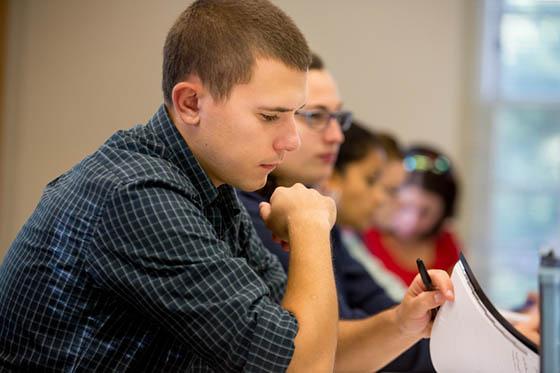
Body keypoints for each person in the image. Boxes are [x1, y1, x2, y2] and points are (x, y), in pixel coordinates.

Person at [0, 1, 343, 371]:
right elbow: (302, 365)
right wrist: (310, 226)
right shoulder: (135, 196)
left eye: (294, 114)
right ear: (190, 103)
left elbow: (304, 343)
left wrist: (402, 323)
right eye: (270, 116)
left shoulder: (210, 188)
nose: (291, 140)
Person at [238, 54, 454, 372]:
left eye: (339, 118)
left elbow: (372, 307)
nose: (336, 135)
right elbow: (313, 353)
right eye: (316, 116)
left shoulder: (309, 204)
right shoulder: (250, 209)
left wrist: (410, 323)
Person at [363, 145, 462, 286]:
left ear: (443, 215)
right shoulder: (363, 236)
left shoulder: (447, 244)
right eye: (405, 206)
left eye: (425, 212)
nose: (412, 221)